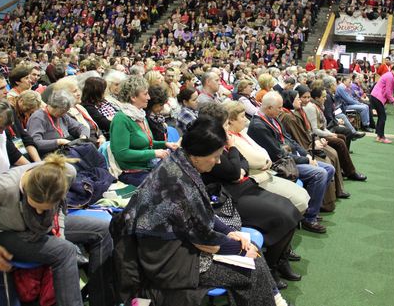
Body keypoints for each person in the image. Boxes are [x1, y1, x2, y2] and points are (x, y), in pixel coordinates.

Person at [115, 116, 287, 306]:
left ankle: (274, 299)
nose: (219, 161)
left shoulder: (180, 163)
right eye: (215, 156)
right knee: (251, 266)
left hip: (178, 245)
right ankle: (274, 300)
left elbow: (199, 216)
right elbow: (203, 239)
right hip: (169, 263)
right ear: (197, 154)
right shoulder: (177, 183)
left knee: (251, 250)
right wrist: (238, 248)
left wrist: (230, 232)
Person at [0, 153, 115, 306]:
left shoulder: (65, 173)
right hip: (0, 231)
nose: (41, 211)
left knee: (103, 230)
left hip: (38, 225)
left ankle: (101, 301)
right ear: (27, 192)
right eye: (36, 207)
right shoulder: (5, 186)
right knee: (65, 251)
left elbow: (59, 208)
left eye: (46, 208)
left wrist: (59, 232)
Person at [198, 103, 302, 289]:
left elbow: (242, 165)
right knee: (282, 216)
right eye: (225, 125)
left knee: (291, 208)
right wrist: (234, 152)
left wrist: (237, 166)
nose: (227, 128)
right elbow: (231, 172)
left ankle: (280, 260)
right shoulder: (208, 145)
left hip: (244, 186)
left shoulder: (223, 141)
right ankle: (271, 267)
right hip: (228, 197)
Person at [248, 91, 334, 234]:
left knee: (329, 169)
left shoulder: (273, 118)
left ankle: (311, 208)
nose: (282, 110)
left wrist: (306, 154)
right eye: (279, 107)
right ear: (269, 108)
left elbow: (290, 140)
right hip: (279, 165)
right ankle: (309, 218)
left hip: (291, 158)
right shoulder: (258, 126)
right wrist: (305, 159)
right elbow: (278, 154)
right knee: (320, 173)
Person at [224, 100, 310, 214]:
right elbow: (252, 160)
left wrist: (266, 160)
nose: (245, 119)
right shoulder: (230, 139)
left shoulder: (243, 131)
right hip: (256, 179)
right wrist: (265, 160)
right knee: (300, 200)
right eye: (242, 116)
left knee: (303, 194)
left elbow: (263, 151)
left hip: (266, 173)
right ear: (231, 120)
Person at [109, 75, 172, 186]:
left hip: (146, 168)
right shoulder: (121, 119)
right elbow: (122, 154)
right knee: (167, 187)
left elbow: (147, 144)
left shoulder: (140, 115)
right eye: (145, 94)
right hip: (131, 173)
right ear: (133, 97)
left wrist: (166, 144)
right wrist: (154, 153)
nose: (149, 97)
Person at [27, 90, 89, 157]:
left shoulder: (62, 115)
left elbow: (81, 127)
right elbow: (36, 142)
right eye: (63, 111)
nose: (64, 113)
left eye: (66, 111)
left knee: (89, 149)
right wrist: (58, 142)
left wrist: (83, 137)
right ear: (53, 106)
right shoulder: (37, 118)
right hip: (52, 154)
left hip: (67, 148)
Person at [370, 63, 394, 143]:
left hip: (375, 96)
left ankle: (379, 136)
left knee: (381, 117)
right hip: (378, 97)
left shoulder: (388, 75)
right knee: (383, 117)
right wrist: (393, 101)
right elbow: (388, 92)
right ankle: (381, 137)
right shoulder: (390, 76)